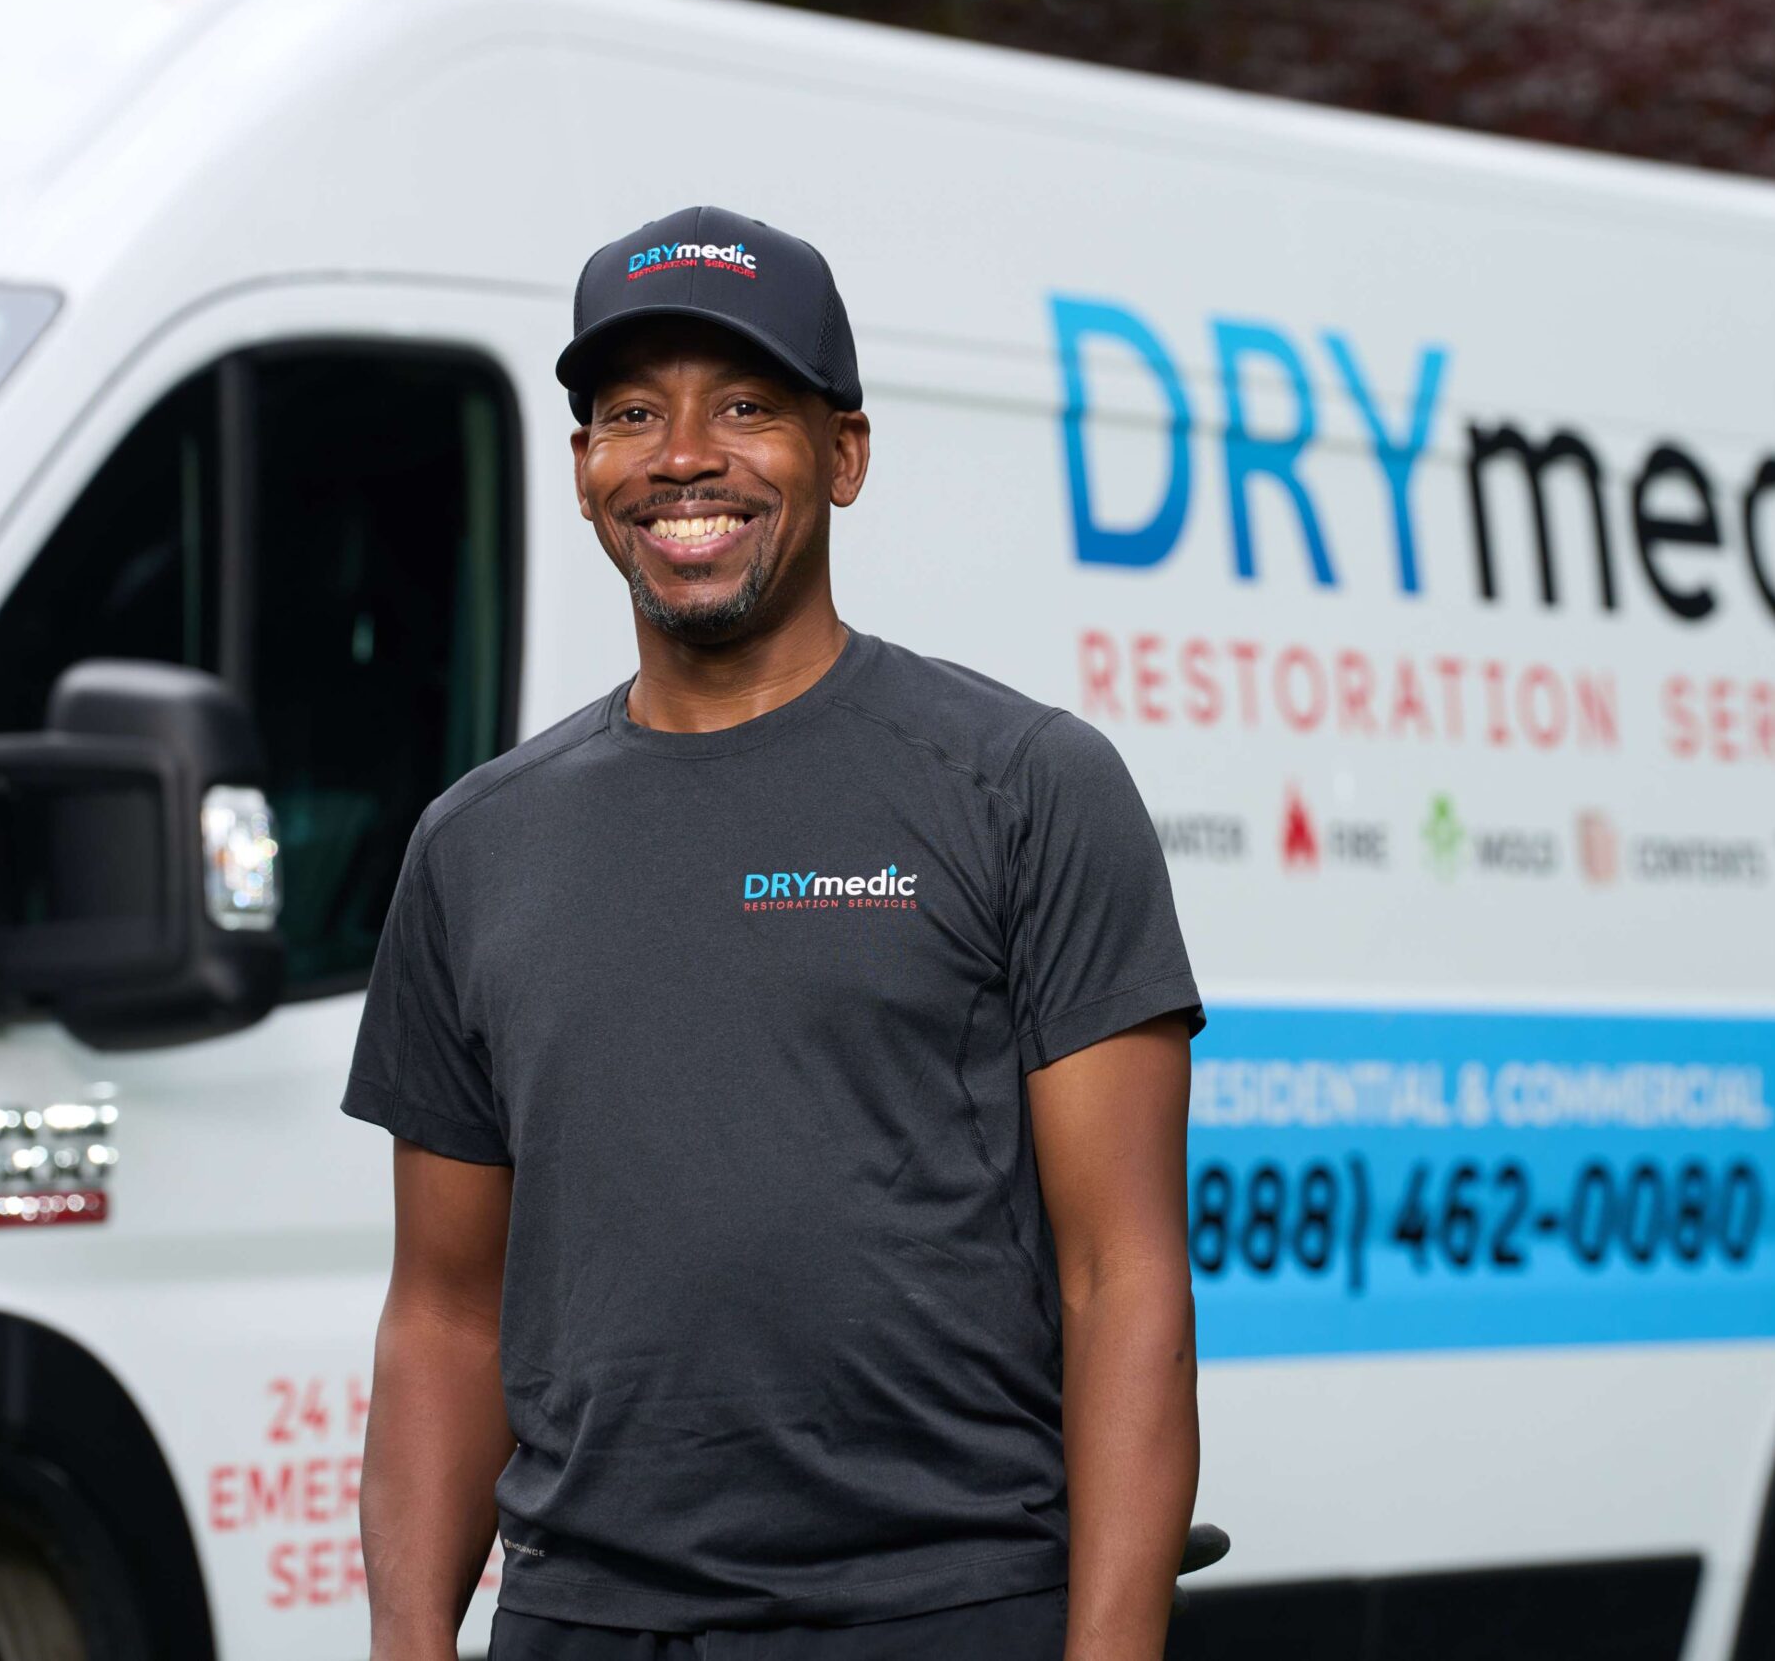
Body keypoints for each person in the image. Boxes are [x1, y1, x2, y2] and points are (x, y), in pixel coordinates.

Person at [341, 204, 1204, 1661]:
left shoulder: (1026, 787)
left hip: (942, 1613)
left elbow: (1123, 1276)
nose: (685, 456)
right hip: (585, 1626)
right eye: (633, 412)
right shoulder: (474, 844)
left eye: (747, 405)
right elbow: (443, 1313)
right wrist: (412, 1642)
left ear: (845, 455)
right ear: (584, 470)